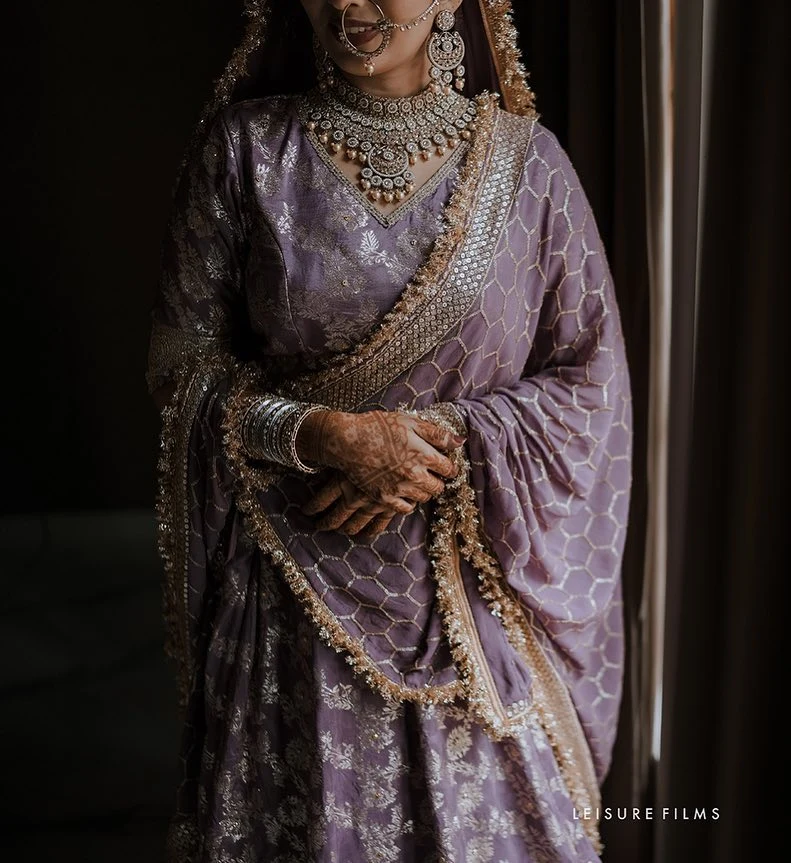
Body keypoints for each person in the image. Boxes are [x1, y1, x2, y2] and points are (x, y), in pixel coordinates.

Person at [146, 1, 632, 859]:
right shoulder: (247, 152)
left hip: (470, 615)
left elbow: (589, 382)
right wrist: (319, 434)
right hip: (289, 614)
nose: (352, 5)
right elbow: (182, 371)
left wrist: (446, 439)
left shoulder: (530, 171)